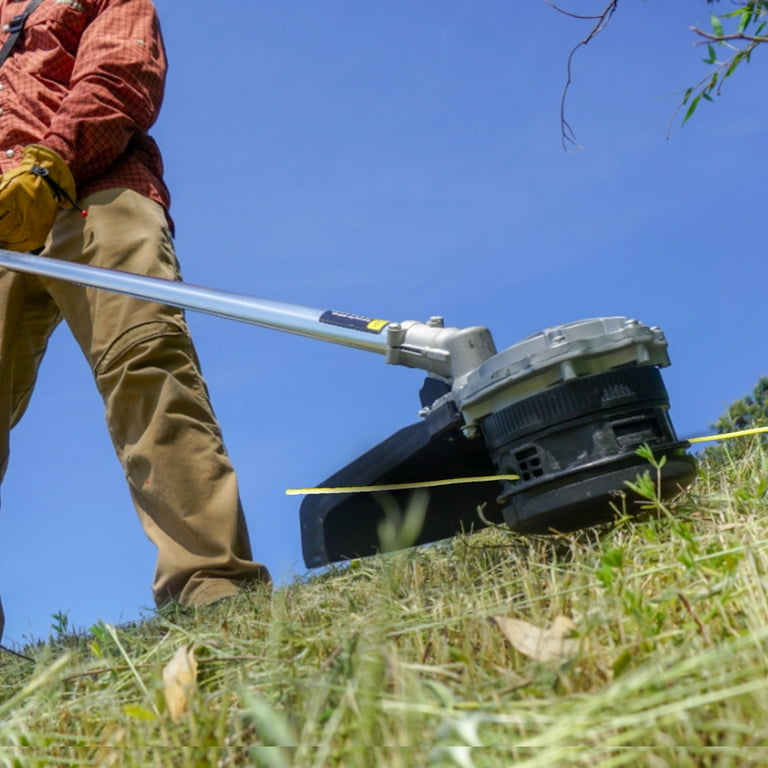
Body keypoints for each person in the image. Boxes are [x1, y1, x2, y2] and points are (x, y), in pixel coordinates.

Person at [0, 0, 270, 641]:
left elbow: (119, 74)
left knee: (143, 361)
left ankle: (212, 587)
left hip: (93, 188)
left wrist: (50, 162)